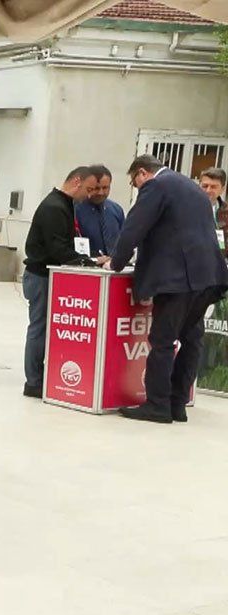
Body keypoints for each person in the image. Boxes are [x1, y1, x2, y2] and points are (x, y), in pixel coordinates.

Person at [107, 156, 228, 423]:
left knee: (162, 340)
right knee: (191, 338)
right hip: (208, 275)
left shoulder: (156, 185)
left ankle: (157, 405)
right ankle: (177, 403)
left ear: (142, 173)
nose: (137, 188)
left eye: (134, 183)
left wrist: (115, 262)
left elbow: (134, 227)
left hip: (178, 279)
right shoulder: (191, 187)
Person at [21, 166, 98, 398]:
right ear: (76, 181)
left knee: (45, 327)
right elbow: (58, 248)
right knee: (39, 326)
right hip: (41, 277)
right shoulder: (54, 207)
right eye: (88, 189)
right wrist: (87, 262)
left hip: (50, 276)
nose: (90, 195)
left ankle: (42, 376)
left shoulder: (65, 205)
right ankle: (34, 381)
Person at [74, 165, 125, 259]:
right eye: (96, 188)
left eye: (105, 188)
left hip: (113, 266)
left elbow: (123, 241)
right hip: (85, 265)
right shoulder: (75, 210)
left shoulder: (116, 210)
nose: (101, 193)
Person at [199, 167, 227, 258]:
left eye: (213, 187)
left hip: (219, 262)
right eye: (205, 186)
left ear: (222, 189)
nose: (208, 190)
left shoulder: (226, 211)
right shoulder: (186, 208)